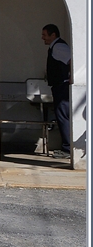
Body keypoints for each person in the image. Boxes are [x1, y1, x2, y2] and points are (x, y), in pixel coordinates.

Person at [41, 24, 73, 158]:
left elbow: (71, 59)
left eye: (45, 35)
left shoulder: (59, 46)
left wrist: (72, 76)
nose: (43, 38)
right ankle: (66, 147)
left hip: (62, 86)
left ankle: (67, 149)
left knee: (63, 116)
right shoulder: (54, 47)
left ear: (53, 35)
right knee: (61, 116)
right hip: (59, 86)